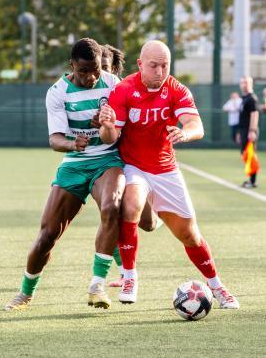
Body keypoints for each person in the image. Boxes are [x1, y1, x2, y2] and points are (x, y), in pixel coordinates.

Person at [99, 40, 239, 309]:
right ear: (140, 65)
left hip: (166, 169)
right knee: (130, 205)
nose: (160, 71)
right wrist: (106, 126)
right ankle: (129, 277)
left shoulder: (176, 89)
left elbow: (195, 124)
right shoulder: (124, 90)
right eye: (154, 65)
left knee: (189, 235)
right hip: (133, 165)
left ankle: (217, 286)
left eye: (165, 65)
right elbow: (110, 136)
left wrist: (185, 133)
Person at [5, 38, 125, 311]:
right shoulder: (57, 91)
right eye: (84, 71)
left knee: (111, 206)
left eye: (95, 69)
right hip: (74, 163)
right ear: (72, 65)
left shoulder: (114, 85)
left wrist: (107, 125)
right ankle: (25, 293)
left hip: (107, 160)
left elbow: (122, 130)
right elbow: (56, 139)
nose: (91, 76)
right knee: (48, 234)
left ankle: (97, 286)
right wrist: (73, 143)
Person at [100, 43, 162, 287]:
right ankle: (125, 272)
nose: (100, 72)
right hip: (108, 164)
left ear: (114, 69)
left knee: (147, 224)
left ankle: (159, 211)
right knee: (111, 214)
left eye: (105, 67)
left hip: (132, 162)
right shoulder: (91, 90)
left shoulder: (125, 90)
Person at [238, 76, 260, 188]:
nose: (244, 84)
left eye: (246, 82)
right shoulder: (244, 98)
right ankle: (251, 179)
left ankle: (253, 181)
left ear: (251, 84)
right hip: (243, 130)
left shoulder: (252, 98)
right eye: (242, 82)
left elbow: (254, 114)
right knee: (246, 154)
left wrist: (252, 130)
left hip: (249, 130)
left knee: (250, 154)